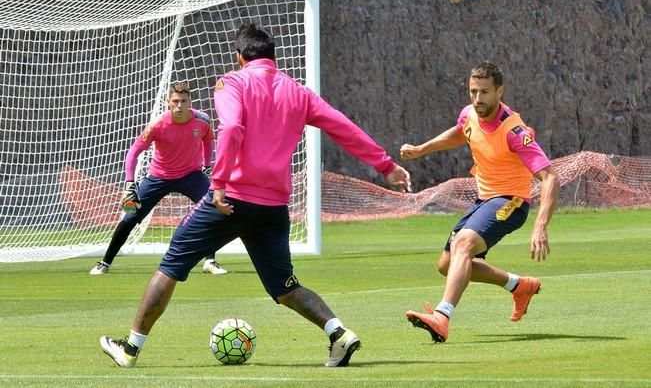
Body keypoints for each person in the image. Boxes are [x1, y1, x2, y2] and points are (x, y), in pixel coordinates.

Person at [99, 22, 412, 368]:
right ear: (273, 57)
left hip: (230, 199)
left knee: (171, 265)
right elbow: (342, 126)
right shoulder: (299, 92)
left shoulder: (232, 82)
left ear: (239, 57)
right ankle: (339, 334)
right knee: (284, 287)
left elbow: (231, 127)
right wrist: (385, 166)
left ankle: (130, 349)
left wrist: (217, 183)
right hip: (274, 207)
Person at [400, 60, 560, 343]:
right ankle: (518, 286)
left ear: (500, 92)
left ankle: (442, 316)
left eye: (484, 92)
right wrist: (423, 149)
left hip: (511, 201)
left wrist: (541, 226)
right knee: (447, 265)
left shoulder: (514, 132)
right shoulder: (469, 114)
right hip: (484, 200)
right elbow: (462, 131)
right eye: (473, 91)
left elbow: (550, 178)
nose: (477, 99)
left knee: (463, 244)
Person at [89, 81, 228, 276]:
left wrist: (206, 166)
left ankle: (210, 261)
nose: (179, 106)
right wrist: (130, 183)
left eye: (184, 101)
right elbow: (133, 152)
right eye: (175, 101)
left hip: (191, 175)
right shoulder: (157, 124)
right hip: (158, 176)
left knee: (214, 208)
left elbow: (207, 141)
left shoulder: (202, 121)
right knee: (130, 216)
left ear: (190, 102)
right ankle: (105, 262)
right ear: (168, 102)